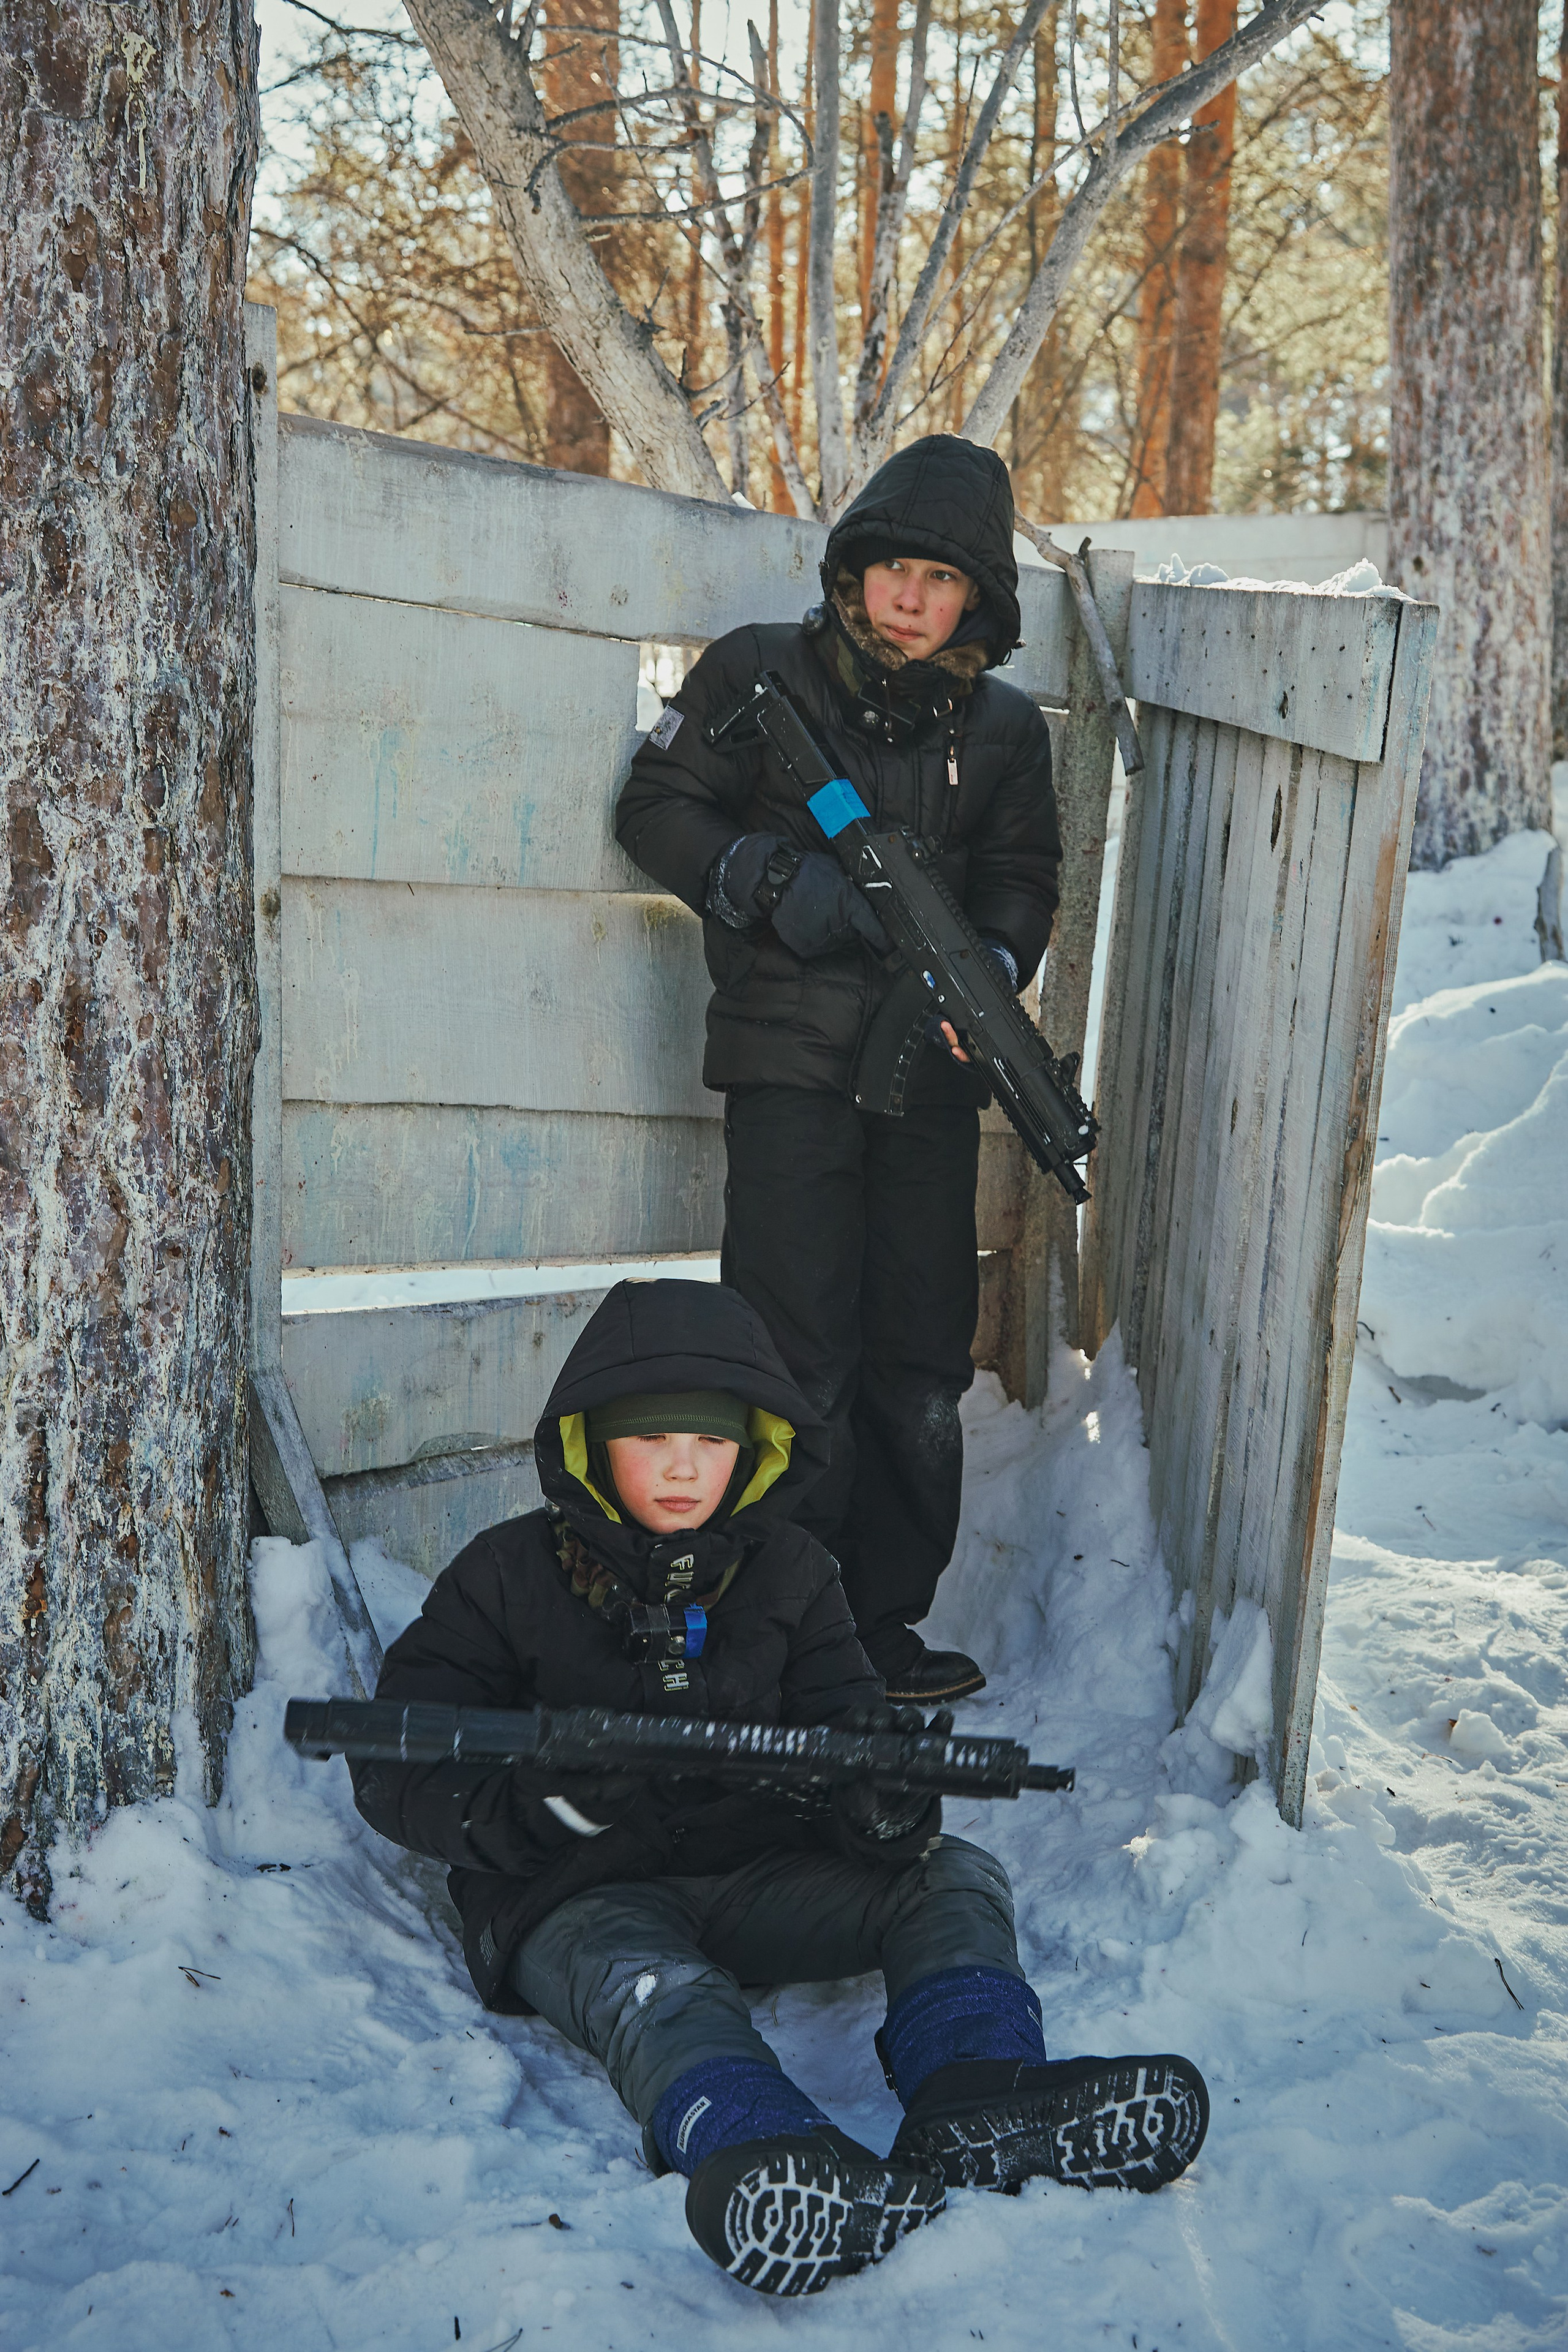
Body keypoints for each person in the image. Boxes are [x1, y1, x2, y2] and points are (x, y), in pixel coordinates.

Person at [352, 1278, 1209, 2299]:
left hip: (763, 1874)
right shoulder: (505, 1577)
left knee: (951, 1877)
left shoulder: (794, 1572)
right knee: (654, 1989)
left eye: (710, 1442)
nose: (682, 1467)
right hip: (579, 1896)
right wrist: (547, 1804)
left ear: (754, 1451)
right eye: (651, 1438)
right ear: (587, 1445)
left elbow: (849, 1722)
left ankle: (978, 2086)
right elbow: (396, 1762)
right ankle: (761, 2145)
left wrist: (880, 1801)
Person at [616, 434, 1059, 1703]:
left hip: (928, 1083)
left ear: (978, 600)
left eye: (942, 579)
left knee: (919, 1359)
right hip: (788, 1076)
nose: (911, 599)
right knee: (790, 1352)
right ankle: (778, 1626)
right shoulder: (761, 674)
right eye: (893, 570)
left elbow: (1025, 879)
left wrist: (990, 963)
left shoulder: (1004, 732)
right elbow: (654, 807)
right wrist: (768, 883)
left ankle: (879, 1631)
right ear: (854, 571)